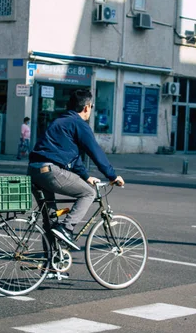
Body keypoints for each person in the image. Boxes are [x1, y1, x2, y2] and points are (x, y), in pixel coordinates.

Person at [27, 89, 124, 251]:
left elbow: (71, 156)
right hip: (50, 171)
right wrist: (112, 176)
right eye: (92, 106)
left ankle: (52, 266)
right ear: (86, 107)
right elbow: (95, 152)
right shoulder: (79, 124)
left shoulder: (60, 121)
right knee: (88, 193)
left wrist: (86, 176)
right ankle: (67, 227)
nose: (91, 110)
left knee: (51, 221)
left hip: (34, 172)